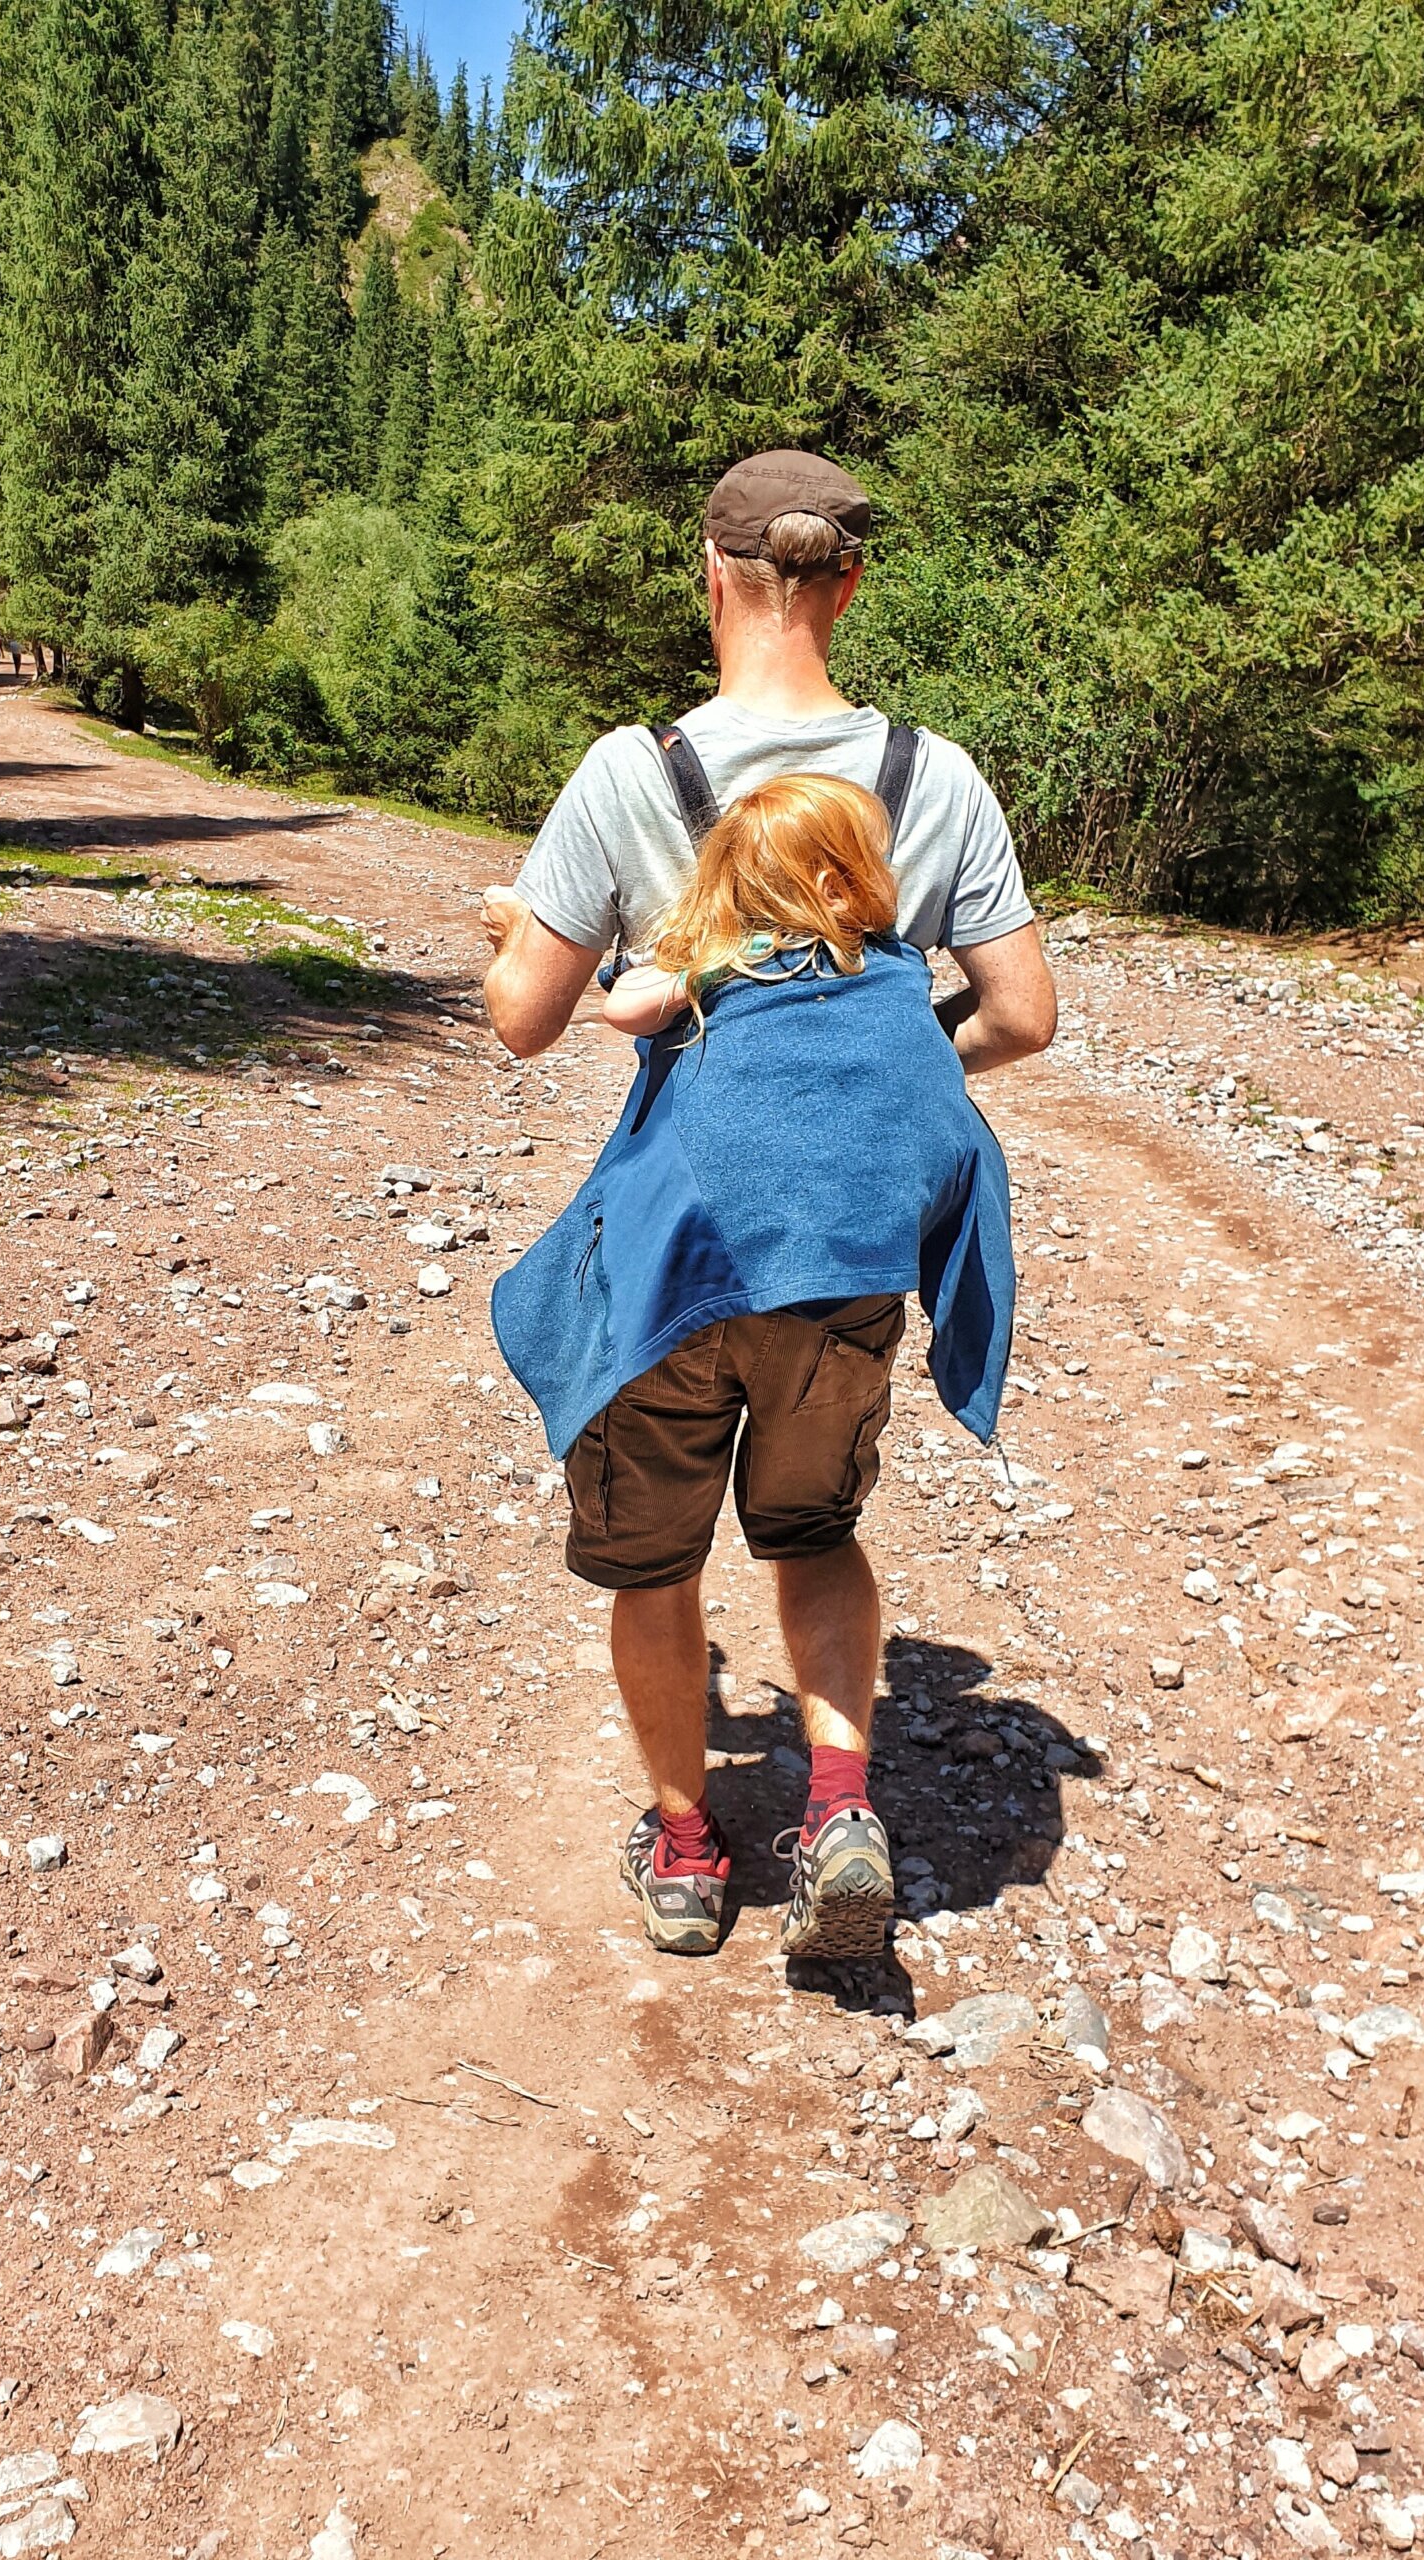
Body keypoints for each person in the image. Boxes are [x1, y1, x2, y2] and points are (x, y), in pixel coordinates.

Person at [481, 448, 1056, 1960]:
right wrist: (880, 1066)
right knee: (810, 1528)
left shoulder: (629, 772)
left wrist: (512, 939)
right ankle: (840, 1810)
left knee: (654, 1559)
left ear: (711, 575)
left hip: (677, 1259)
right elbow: (1025, 1013)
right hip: (842, 1259)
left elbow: (524, 1018)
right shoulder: (935, 777)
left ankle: (687, 1846)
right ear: (847, 586)